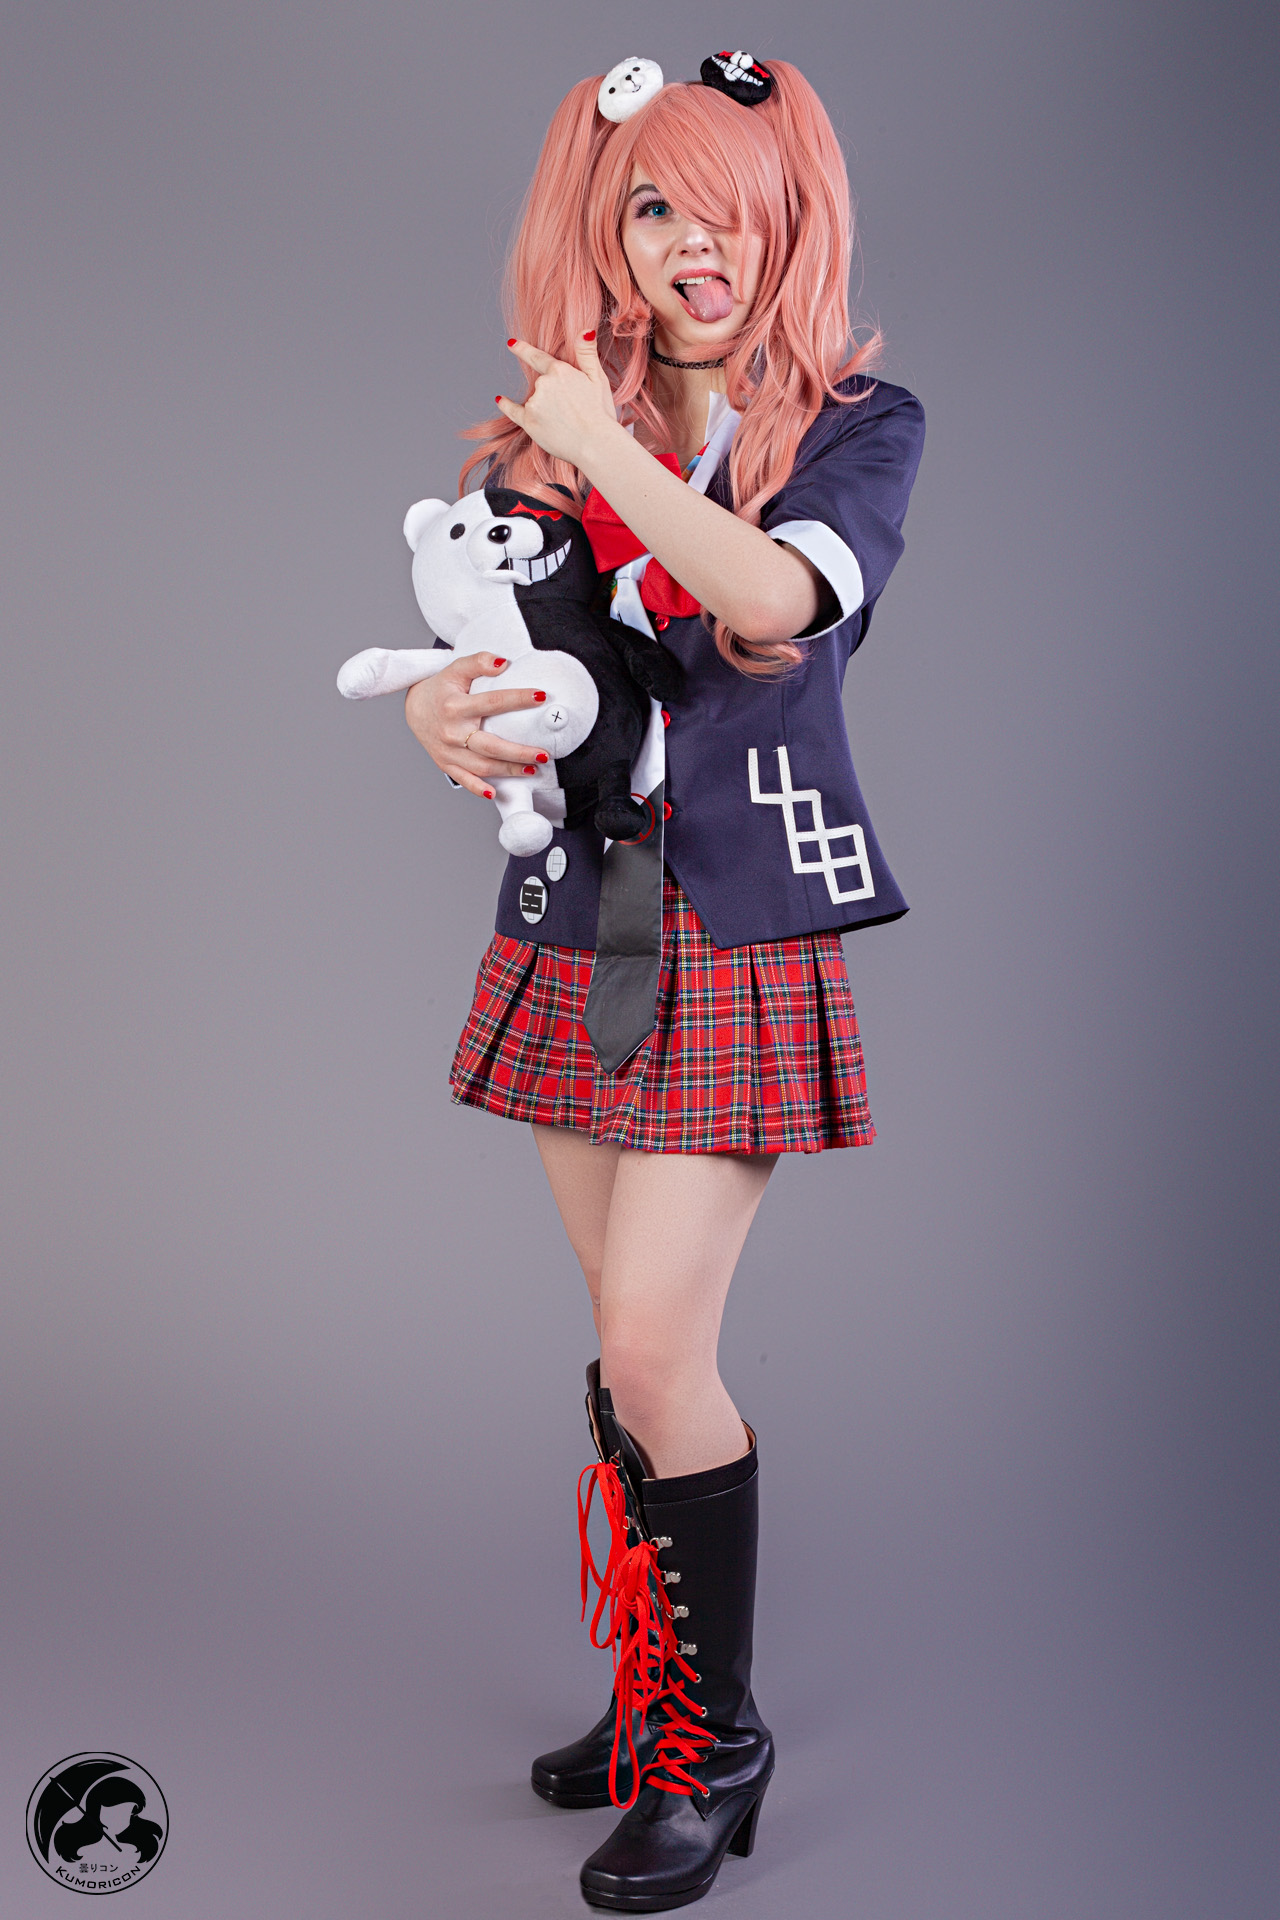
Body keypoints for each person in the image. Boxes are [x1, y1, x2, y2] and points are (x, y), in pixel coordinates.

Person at [402, 52, 924, 1912]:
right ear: (604, 232)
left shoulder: (855, 428)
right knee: (621, 1344)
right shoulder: (545, 450)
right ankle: (657, 1704)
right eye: (651, 207)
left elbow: (770, 607)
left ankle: (712, 1748)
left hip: (737, 925)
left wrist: (605, 445)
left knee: (651, 1346)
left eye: (726, 206)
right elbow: (500, 654)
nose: (692, 243)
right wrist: (439, 713)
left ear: (788, 217)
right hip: (574, 915)